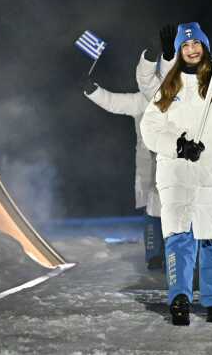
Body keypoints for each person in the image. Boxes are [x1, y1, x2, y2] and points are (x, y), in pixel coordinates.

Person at [139, 22, 212, 326]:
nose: (192, 49)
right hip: (179, 175)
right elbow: (150, 129)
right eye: (186, 46)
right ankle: (180, 298)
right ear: (180, 51)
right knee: (180, 240)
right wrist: (178, 146)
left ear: (205, 47)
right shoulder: (168, 87)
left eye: (196, 44)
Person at [82, 49, 165, 269]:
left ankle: (177, 252)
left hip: (178, 163)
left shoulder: (181, 97)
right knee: (152, 210)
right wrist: (92, 90)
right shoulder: (141, 101)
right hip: (150, 167)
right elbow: (112, 101)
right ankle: (154, 254)